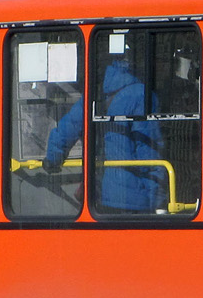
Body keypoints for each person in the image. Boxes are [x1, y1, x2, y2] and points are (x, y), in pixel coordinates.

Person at [45, 58, 165, 213]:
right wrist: (157, 196)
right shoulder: (143, 95)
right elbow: (148, 148)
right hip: (136, 195)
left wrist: (53, 158)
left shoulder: (97, 91)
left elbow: (71, 124)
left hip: (101, 191)